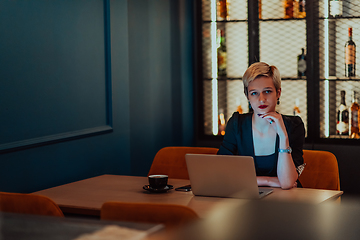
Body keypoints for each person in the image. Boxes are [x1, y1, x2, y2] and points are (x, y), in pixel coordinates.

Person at [217, 62, 305, 189]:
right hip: (246, 198)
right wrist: (269, 181)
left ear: (278, 93)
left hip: (287, 201)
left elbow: (286, 182)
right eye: (254, 93)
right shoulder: (237, 124)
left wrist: (283, 136)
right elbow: (221, 173)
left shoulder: (294, 126)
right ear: (247, 96)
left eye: (267, 91)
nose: (261, 99)